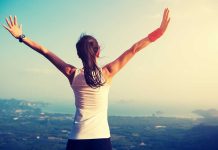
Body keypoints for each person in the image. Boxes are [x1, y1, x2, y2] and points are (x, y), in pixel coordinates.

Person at [2, 8, 170, 150]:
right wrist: (159, 32)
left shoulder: (71, 73)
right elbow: (134, 49)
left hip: (77, 139)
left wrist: (21, 36)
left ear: (78, 54)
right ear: (98, 51)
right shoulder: (108, 72)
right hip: (101, 139)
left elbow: (45, 51)